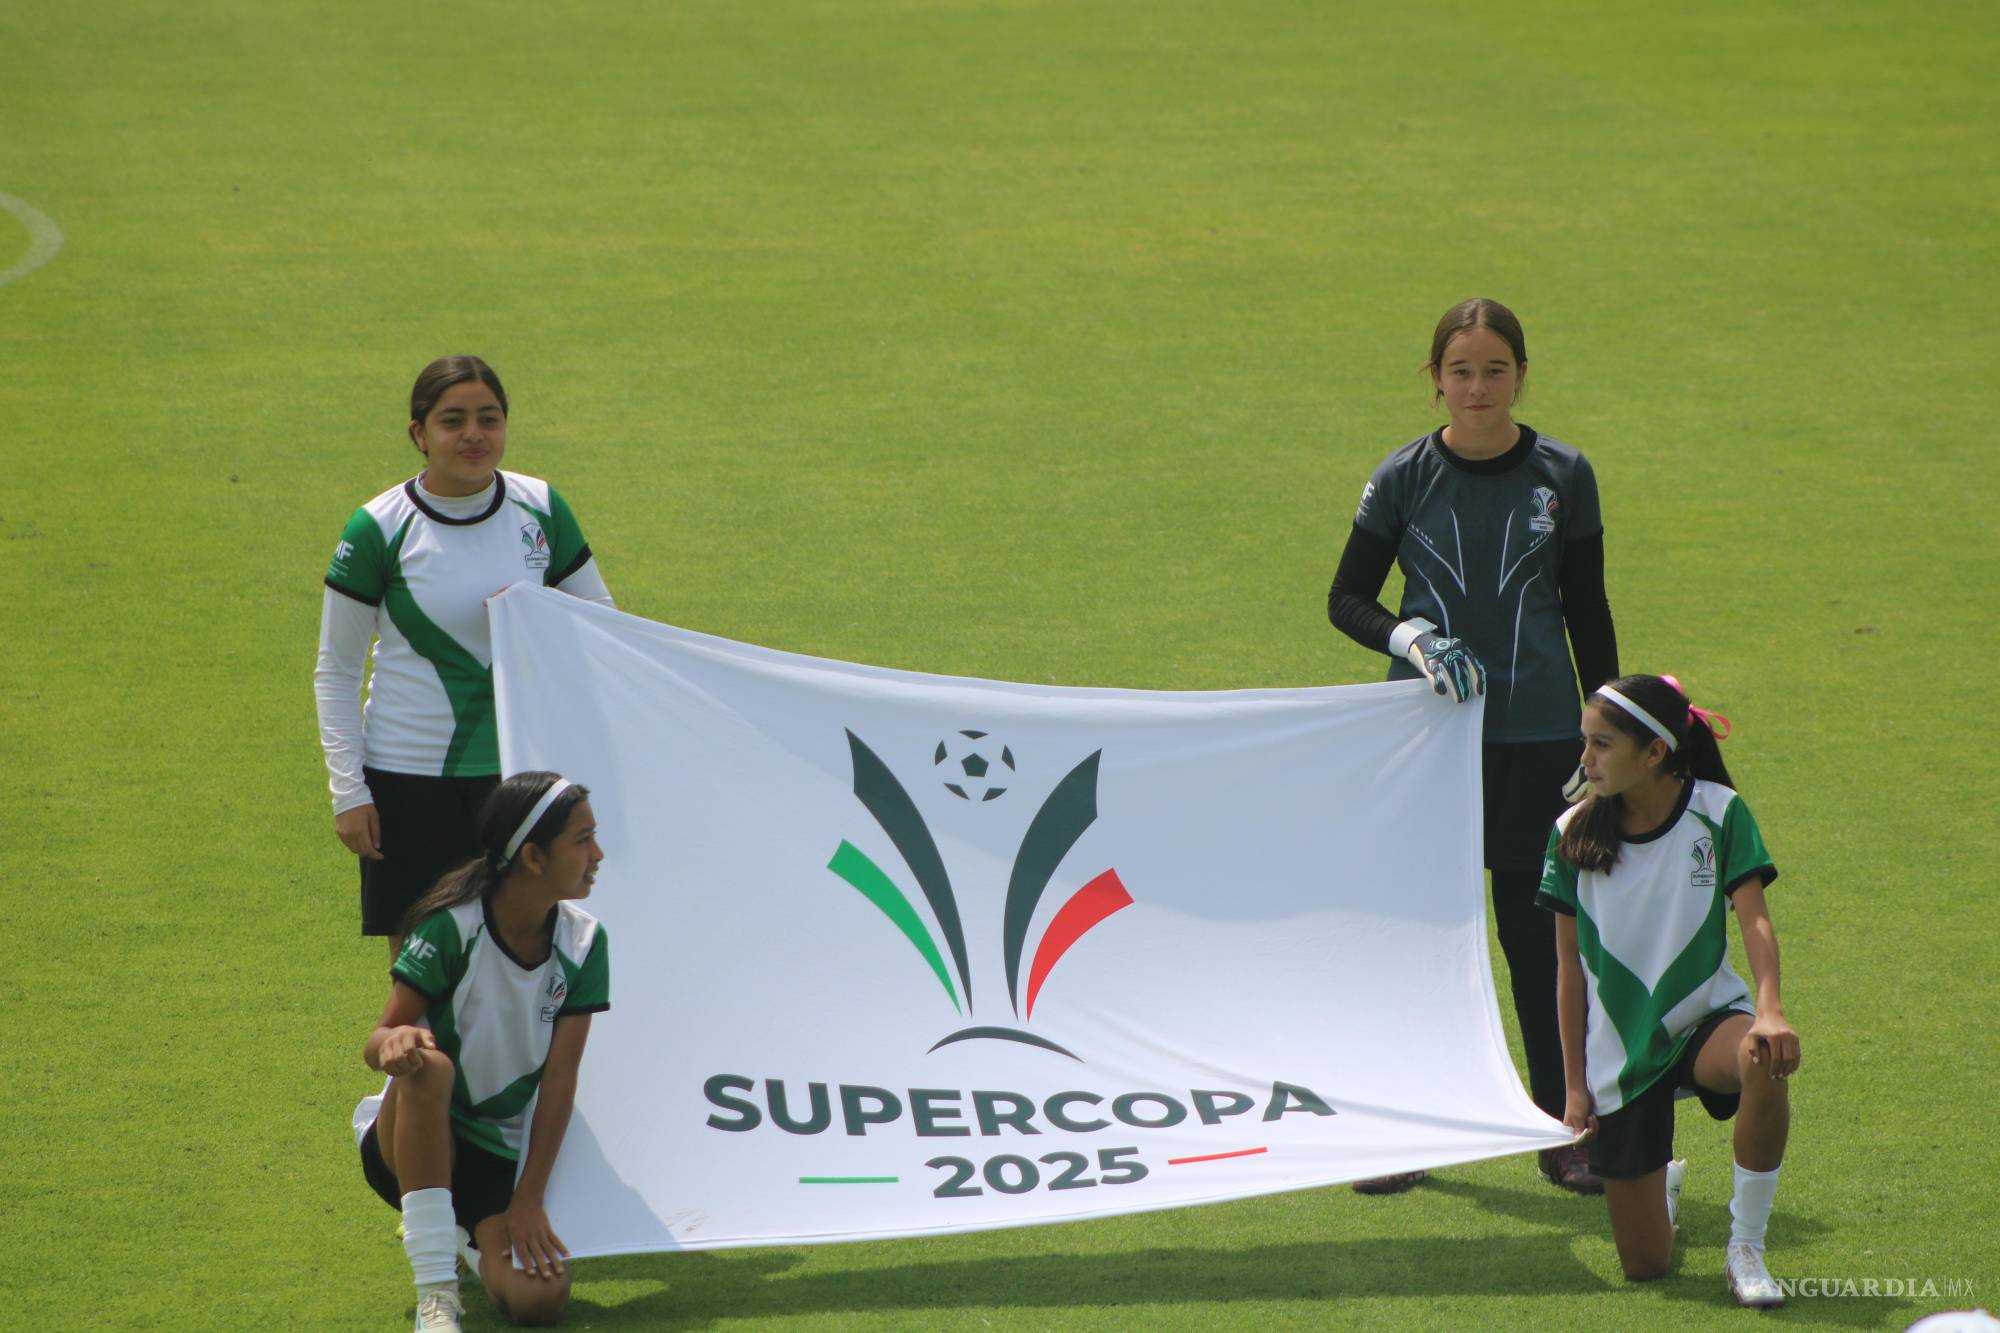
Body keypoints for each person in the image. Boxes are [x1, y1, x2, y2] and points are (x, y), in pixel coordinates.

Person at [1326, 298, 1618, 1194]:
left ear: (1521, 375)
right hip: (1425, 743)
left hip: (1534, 742)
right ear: (1436, 377)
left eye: (1496, 369)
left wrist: (1601, 731)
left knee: (1538, 937)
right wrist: (1408, 638)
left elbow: (1588, 611)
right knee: (1421, 936)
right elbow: (1347, 598)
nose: (1478, 387)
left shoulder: (1564, 474)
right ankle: (1406, 1130)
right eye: (1461, 370)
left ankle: (1559, 1125)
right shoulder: (1404, 475)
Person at [315, 356, 614, 955]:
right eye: (453, 421)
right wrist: (350, 793)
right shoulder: (378, 528)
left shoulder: (541, 508)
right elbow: (337, 669)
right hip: (407, 778)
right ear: (419, 434)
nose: (474, 435)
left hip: (519, 774)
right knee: (422, 960)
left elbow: (604, 631)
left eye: (489, 418)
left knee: (525, 950)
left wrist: (535, 611)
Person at [1539, 674, 1798, 1307]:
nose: (1585, 759)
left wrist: (1769, 1011)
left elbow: (1754, 918)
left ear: (1654, 752)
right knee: (1646, 1267)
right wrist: (1573, 1087)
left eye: (1601, 745)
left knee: (1765, 1059)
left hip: (1706, 1019)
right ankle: (1663, 1195)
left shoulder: (1720, 811)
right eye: (1584, 743)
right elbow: (1568, 969)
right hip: (1621, 1054)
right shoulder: (1571, 832)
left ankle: (1746, 1245)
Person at [355, 771, 610, 1331]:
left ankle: (458, 1232)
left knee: (540, 1300)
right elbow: (377, 1041)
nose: (598, 854)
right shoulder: (451, 928)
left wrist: (528, 1199)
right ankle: (436, 1295)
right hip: (411, 1134)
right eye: (583, 840)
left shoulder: (585, 943)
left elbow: (560, 1081)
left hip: (496, 1157)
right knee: (429, 1066)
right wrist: (396, 1044)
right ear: (534, 858)